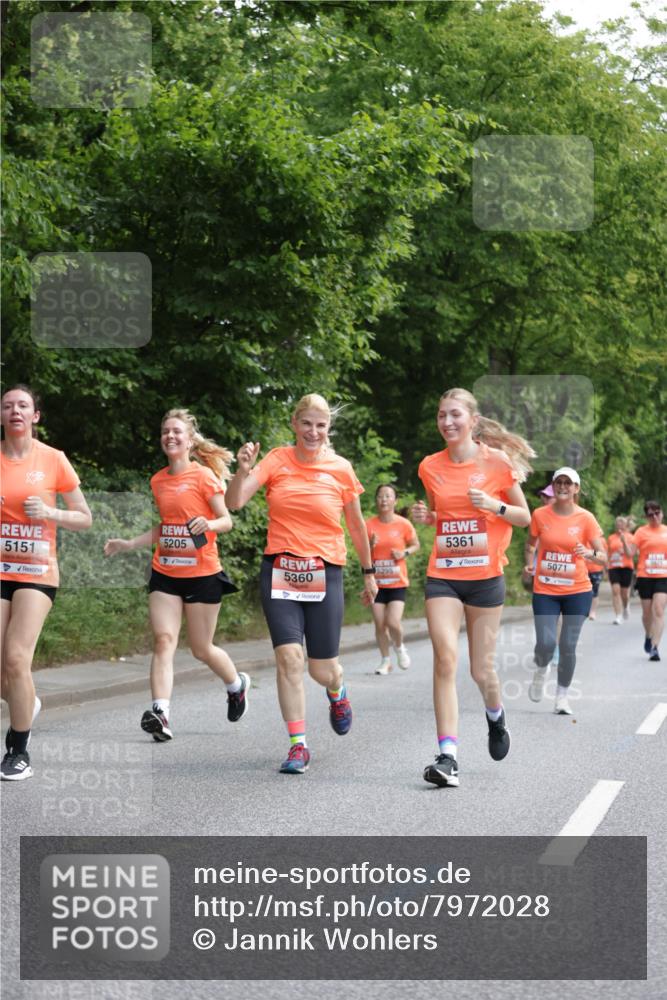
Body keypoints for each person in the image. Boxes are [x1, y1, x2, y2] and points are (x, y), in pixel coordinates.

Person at [226, 393, 377, 775]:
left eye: (321, 425)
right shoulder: (277, 459)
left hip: (325, 571)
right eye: (306, 423)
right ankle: (298, 745)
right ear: (295, 423)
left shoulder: (341, 469)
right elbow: (235, 502)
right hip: (280, 569)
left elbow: (357, 526)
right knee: (288, 658)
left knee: (321, 670)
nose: (313, 431)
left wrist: (370, 572)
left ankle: (337, 690)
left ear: (329, 429)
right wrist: (242, 470)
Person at [104, 409, 249, 741]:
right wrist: (129, 543)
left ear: (189, 440)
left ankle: (236, 685)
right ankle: (161, 715)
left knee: (201, 648)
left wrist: (208, 523)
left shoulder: (204, 477)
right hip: (165, 571)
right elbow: (165, 525)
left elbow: (226, 520)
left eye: (177, 432)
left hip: (202, 573)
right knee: (163, 640)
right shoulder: (158, 480)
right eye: (165, 431)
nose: (170, 436)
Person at [412, 388, 532, 789]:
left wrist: (493, 506)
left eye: (455, 415)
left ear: (473, 421)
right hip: (444, 574)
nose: (447, 422)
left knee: (482, 671)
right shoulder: (430, 466)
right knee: (445, 658)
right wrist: (427, 517)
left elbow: (524, 517)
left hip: (485, 580)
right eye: (442, 415)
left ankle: (495, 717)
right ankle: (448, 757)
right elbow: (443, 515)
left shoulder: (497, 464)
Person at [1, 385, 92, 780]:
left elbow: (84, 517)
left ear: (36, 415)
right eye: (7, 406)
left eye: (23, 405)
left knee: (17, 658)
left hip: (37, 572)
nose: (15, 411)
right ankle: (27, 701)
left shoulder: (53, 460)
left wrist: (50, 511)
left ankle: (18, 749)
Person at [525, 468, 606, 715]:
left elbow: (602, 557)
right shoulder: (540, 514)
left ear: (576, 489)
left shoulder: (586, 518)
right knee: (546, 643)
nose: (563, 486)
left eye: (568, 483)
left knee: (568, 645)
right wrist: (528, 562)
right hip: (546, 589)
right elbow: (531, 544)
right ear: (553, 486)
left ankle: (561, 698)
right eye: (558, 482)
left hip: (578, 591)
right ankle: (541, 669)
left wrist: (588, 553)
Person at [366, 484, 420, 674]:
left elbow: (415, 545)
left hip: (397, 582)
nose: (384, 500)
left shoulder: (403, 524)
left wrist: (404, 552)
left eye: (388, 496)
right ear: (376, 500)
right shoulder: (369, 524)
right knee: (380, 623)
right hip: (377, 583)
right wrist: (369, 545)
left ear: (395, 501)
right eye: (380, 496)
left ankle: (399, 647)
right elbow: (362, 553)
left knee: (393, 621)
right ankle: (385, 660)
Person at [633, 500, 667, 661]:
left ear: (662, 513)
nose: (654, 517)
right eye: (650, 514)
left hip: (663, 576)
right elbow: (631, 552)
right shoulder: (641, 532)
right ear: (646, 517)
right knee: (647, 614)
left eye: (657, 512)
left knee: (659, 610)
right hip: (645, 576)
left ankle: (655, 647)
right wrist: (626, 544)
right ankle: (648, 634)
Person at [607, 516, 636, 624]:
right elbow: (608, 552)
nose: (619, 525)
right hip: (613, 567)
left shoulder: (631, 537)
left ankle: (626, 605)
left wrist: (624, 544)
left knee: (624, 593)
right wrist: (606, 565)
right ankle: (618, 616)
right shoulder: (611, 538)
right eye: (617, 523)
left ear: (625, 525)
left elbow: (633, 553)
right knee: (615, 591)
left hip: (626, 566)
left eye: (621, 523)